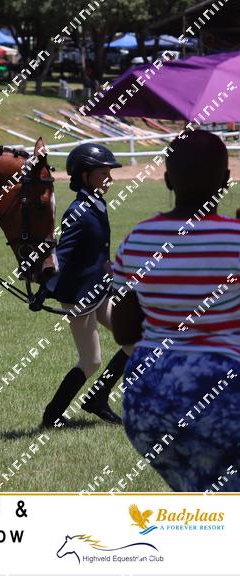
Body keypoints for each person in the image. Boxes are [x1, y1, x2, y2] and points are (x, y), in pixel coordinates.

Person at [111, 129, 240, 492]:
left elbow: (124, 331)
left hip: (148, 402)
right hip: (222, 394)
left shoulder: (138, 238)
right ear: (226, 180)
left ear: (167, 179)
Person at [40, 143, 133, 428]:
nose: (109, 179)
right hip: (79, 296)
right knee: (91, 360)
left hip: (100, 290)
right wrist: (46, 287)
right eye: (103, 173)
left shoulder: (97, 203)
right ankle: (52, 416)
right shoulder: (78, 211)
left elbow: (97, 251)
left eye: (109, 173)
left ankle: (98, 398)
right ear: (84, 176)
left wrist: (112, 274)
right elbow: (64, 253)